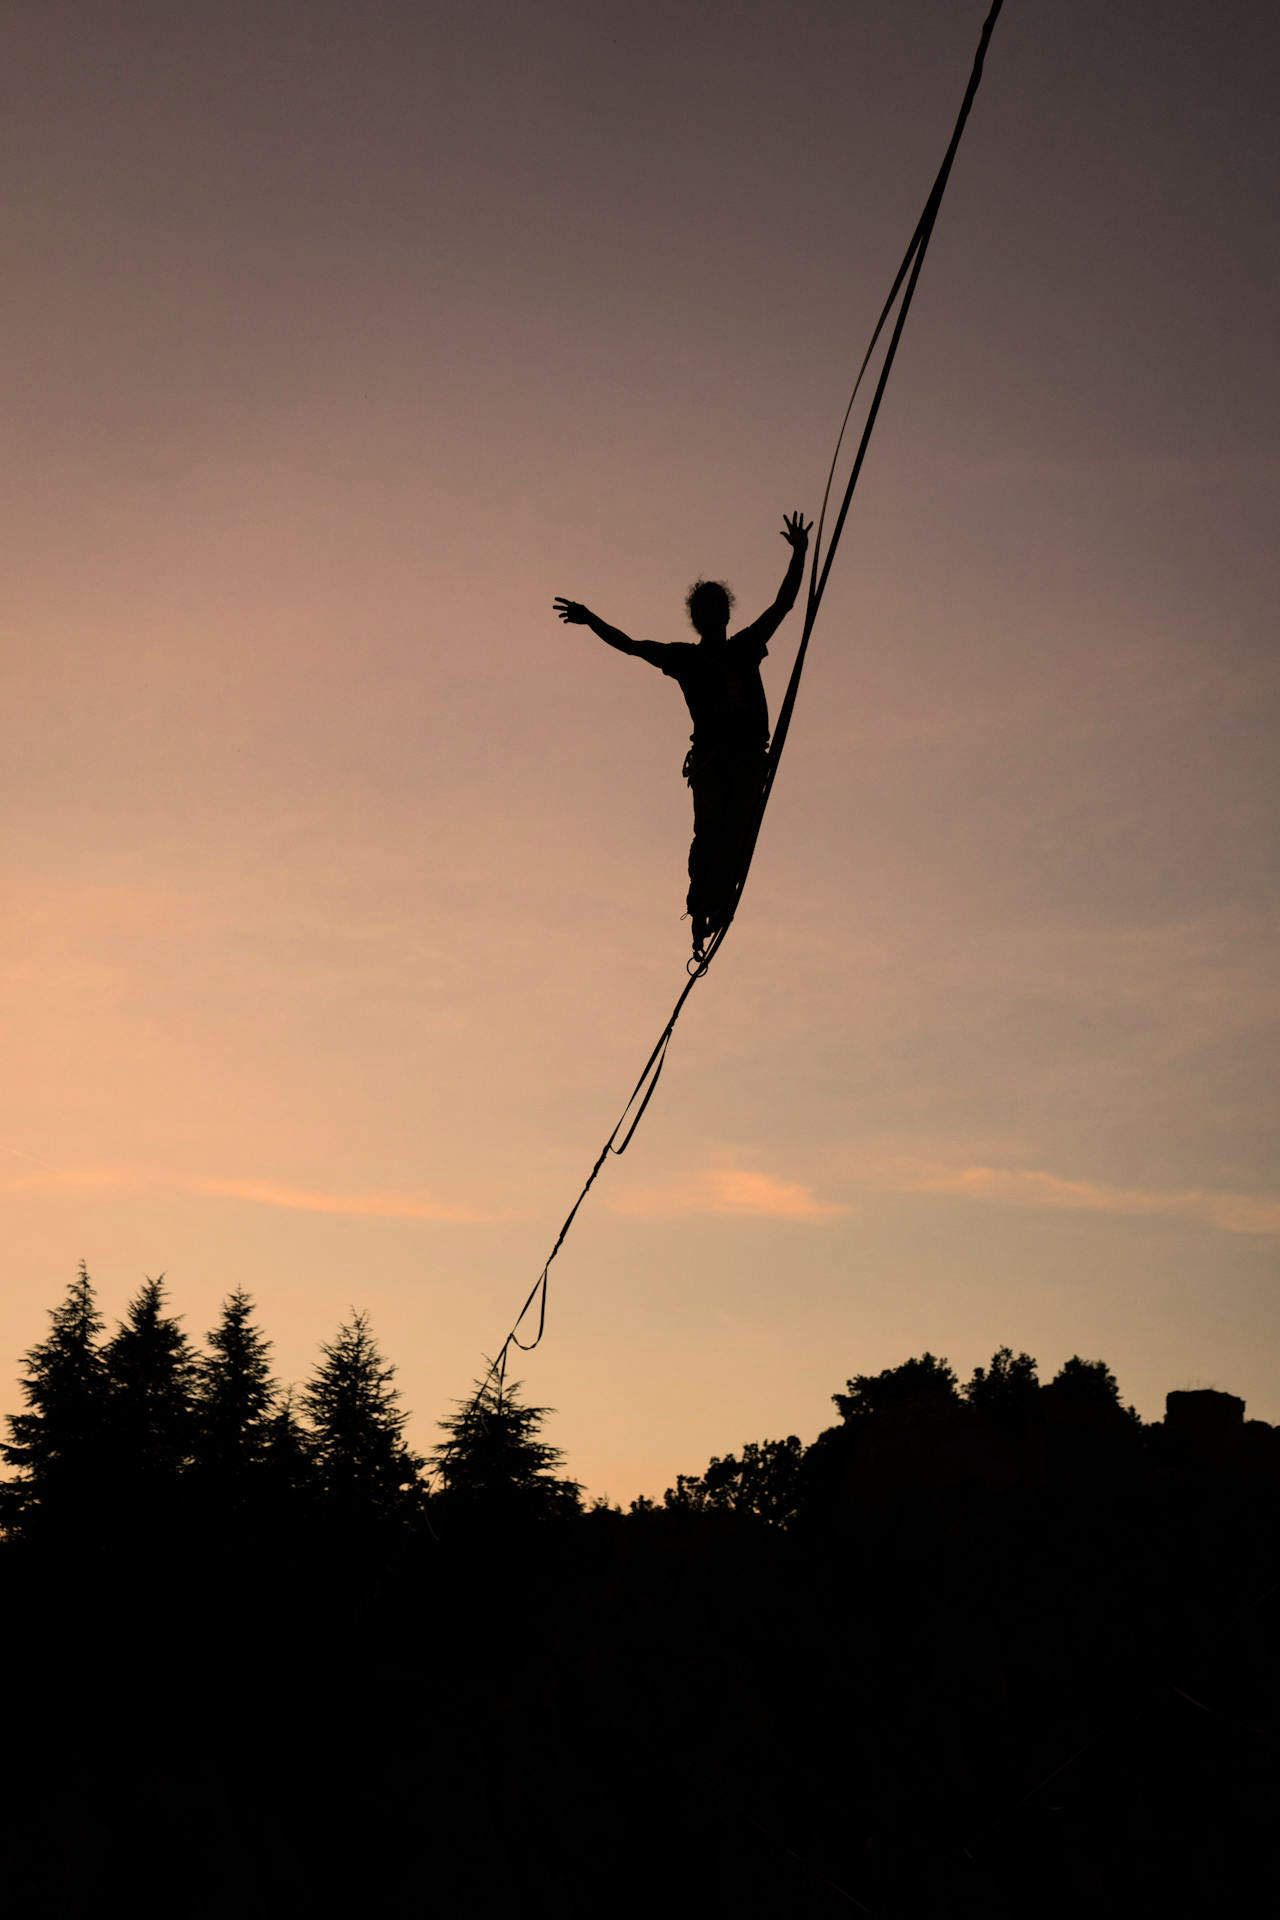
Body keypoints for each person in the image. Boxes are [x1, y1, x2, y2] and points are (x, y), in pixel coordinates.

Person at [555, 511, 811, 960]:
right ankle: (700, 911)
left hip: (748, 756)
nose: (713, 618)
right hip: (715, 760)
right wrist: (591, 619)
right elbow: (630, 644)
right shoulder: (686, 659)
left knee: (732, 834)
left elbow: (784, 605)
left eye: (717, 612)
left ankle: (713, 905)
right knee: (711, 833)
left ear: (724, 616)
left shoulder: (745, 646)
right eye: (707, 613)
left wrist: (800, 555)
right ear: (701, 619)